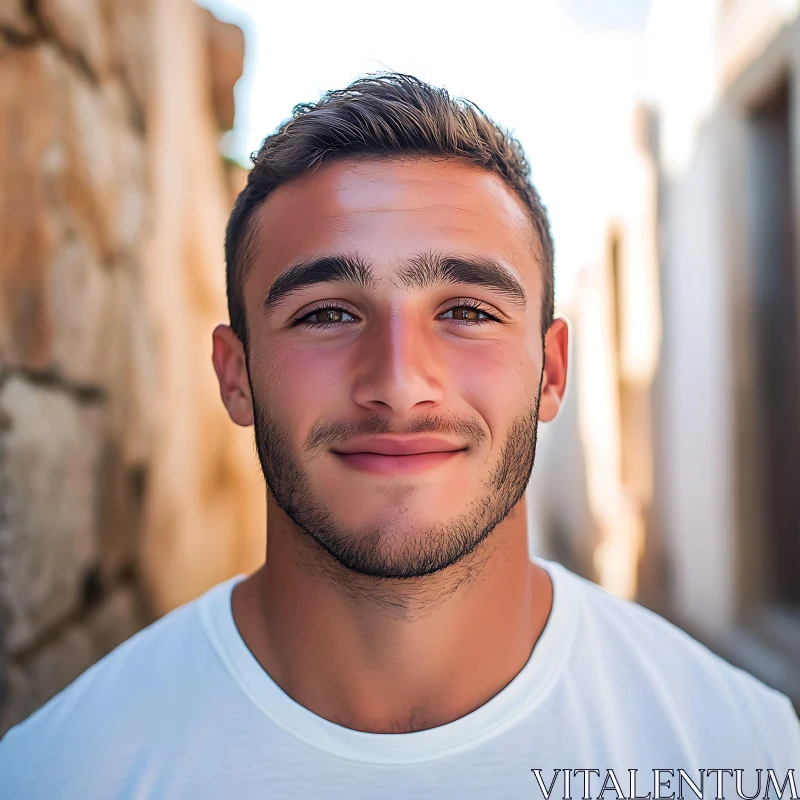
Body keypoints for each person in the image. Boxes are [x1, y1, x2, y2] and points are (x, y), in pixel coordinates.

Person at [1, 73, 798, 800]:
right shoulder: (59, 774)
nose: (399, 381)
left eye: (466, 311)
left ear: (551, 371)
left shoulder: (743, 757)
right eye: (326, 313)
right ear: (235, 373)